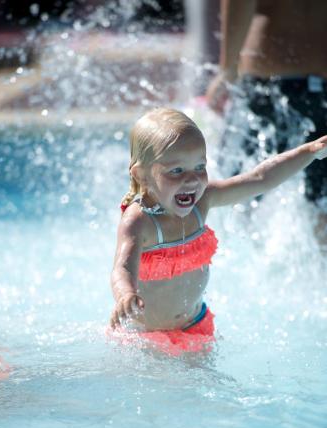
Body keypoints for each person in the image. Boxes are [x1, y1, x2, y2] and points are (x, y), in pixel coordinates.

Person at [107, 108, 327, 356]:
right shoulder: (139, 221)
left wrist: (309, 152)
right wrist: (126, 294)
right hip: (145, 336)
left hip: (196, 326)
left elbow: (260, 178)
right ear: (141, 175)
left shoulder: (202, 201)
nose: (191, 180)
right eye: (176, 171)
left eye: (199, 167)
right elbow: (122, 268)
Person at [205, 0, 327, 240]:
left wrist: (227, 69)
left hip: (267, 79)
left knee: (230, 201)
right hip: (321, 86)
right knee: (320, 207)